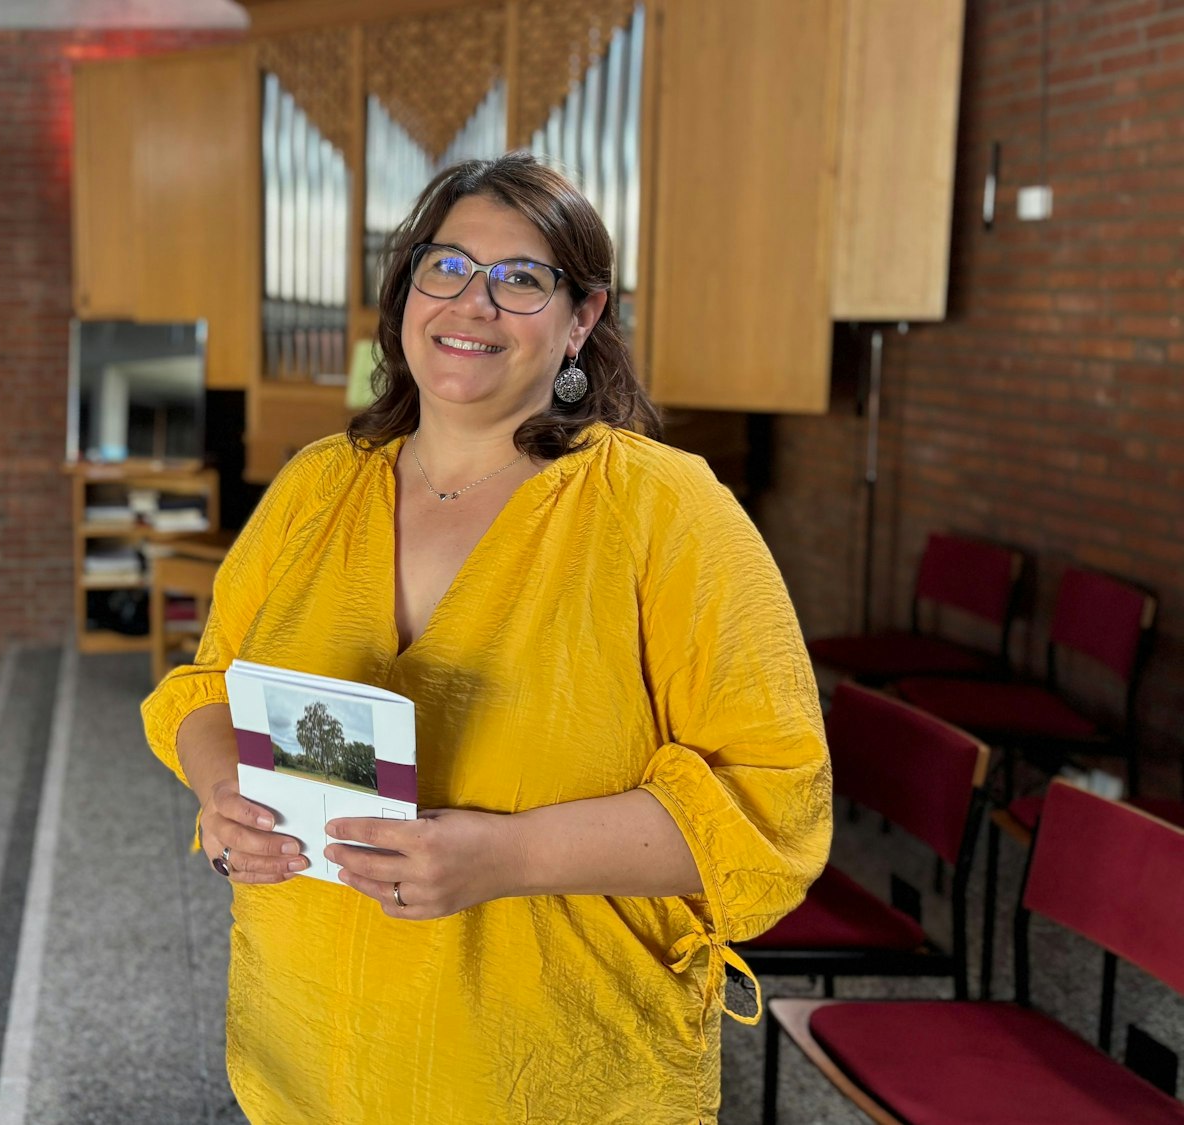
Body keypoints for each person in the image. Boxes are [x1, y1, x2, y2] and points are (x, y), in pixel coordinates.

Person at [141, 153, 832, 1123]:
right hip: (306, 1054)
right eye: (446, 267)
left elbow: (769, 804)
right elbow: (207, 686)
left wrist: (506, 857)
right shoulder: (315, 486)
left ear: (580, 320)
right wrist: (223, 799)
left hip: (545, 1074)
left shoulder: (664, 510)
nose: (472, 305)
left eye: (520, 279)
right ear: (405, 291)